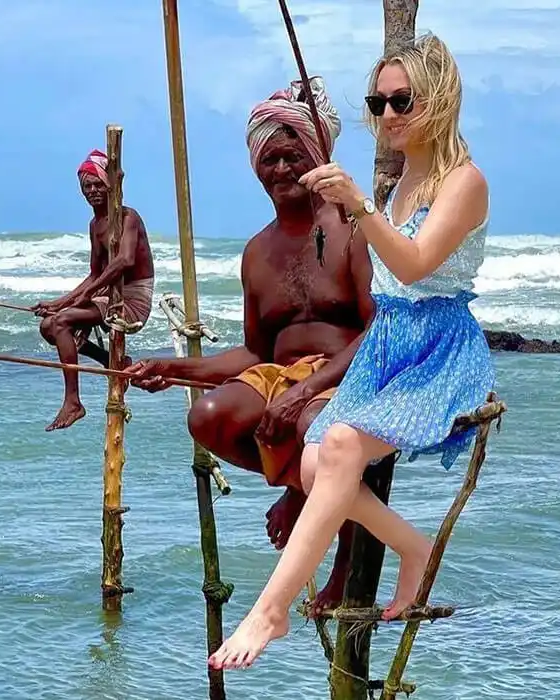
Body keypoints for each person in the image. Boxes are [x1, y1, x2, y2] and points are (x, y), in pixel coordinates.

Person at [208, 33, 497, 671]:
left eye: (402, 101)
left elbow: (417, 267)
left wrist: (359, 207)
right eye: (378, 103)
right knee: (313, 466)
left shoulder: (463, 181)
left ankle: (270, 608)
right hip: (387, 343)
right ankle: (413, 548)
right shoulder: (402, 181)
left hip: (437, 348)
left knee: (337, 450)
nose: (387, 115)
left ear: (439, 99)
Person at [128, 77, 375, 612]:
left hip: (344, 375)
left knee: (316, 428)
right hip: (280, 376)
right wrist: (172, 368)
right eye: (269, 158)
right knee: (209, 418)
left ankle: (341, 565)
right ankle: (302, 486)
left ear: (318, 152)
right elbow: (255, 356)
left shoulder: (354, 228)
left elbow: (381, 332)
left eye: (292, 155)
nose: (281, 170)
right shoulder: (256, 252)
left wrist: (304, 390)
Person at [31, 149, 155, 431]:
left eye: (98, 183)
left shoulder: (127, 217)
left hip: (132, 297)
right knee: (50, 325)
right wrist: (59, 302)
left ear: (110, 185)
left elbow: (125, 260)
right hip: (109, 292)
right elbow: (95, 274)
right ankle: (113, 362)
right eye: (87, 186)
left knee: (63, 322)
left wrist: (85, 297)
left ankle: (73, 402)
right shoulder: (94, 224)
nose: (93, 190)